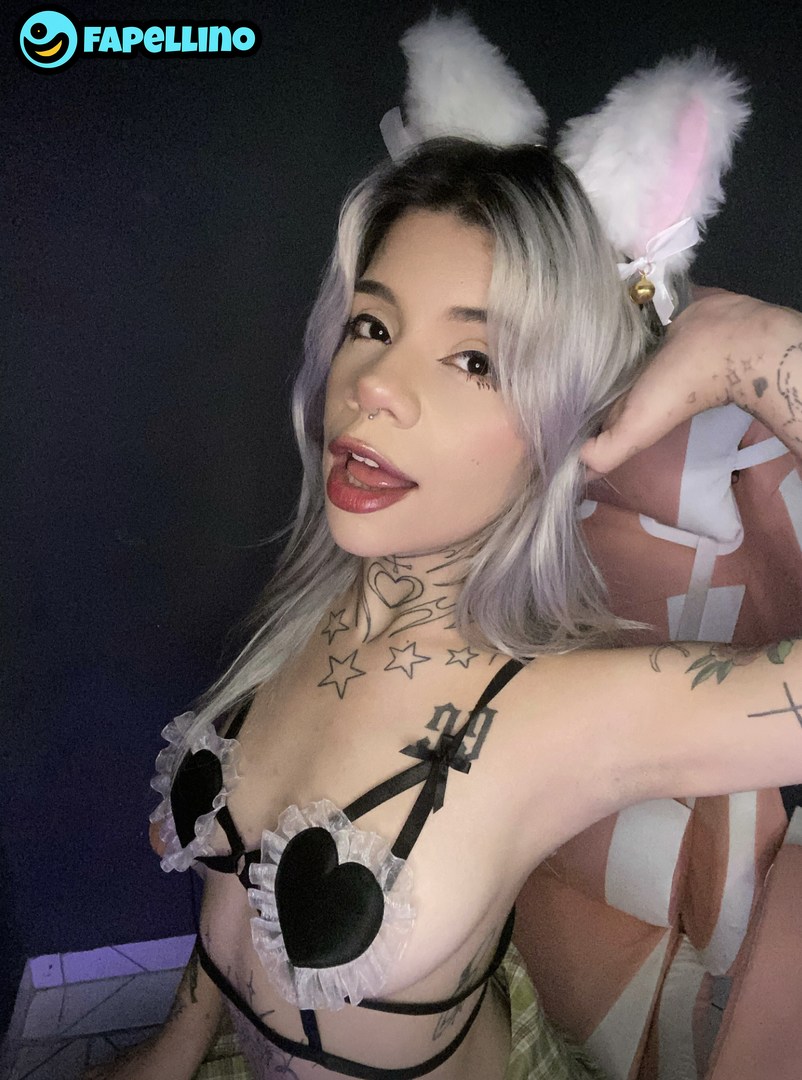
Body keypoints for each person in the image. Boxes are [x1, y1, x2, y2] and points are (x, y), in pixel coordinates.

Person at [82, 17, 802, 1080]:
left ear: (568, 424)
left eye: (474, 360)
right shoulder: (315, 608)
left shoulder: (565, 715)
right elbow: (240, 894)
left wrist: (757, 349)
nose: (374, 385)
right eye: (374, 326)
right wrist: (175, 1050)